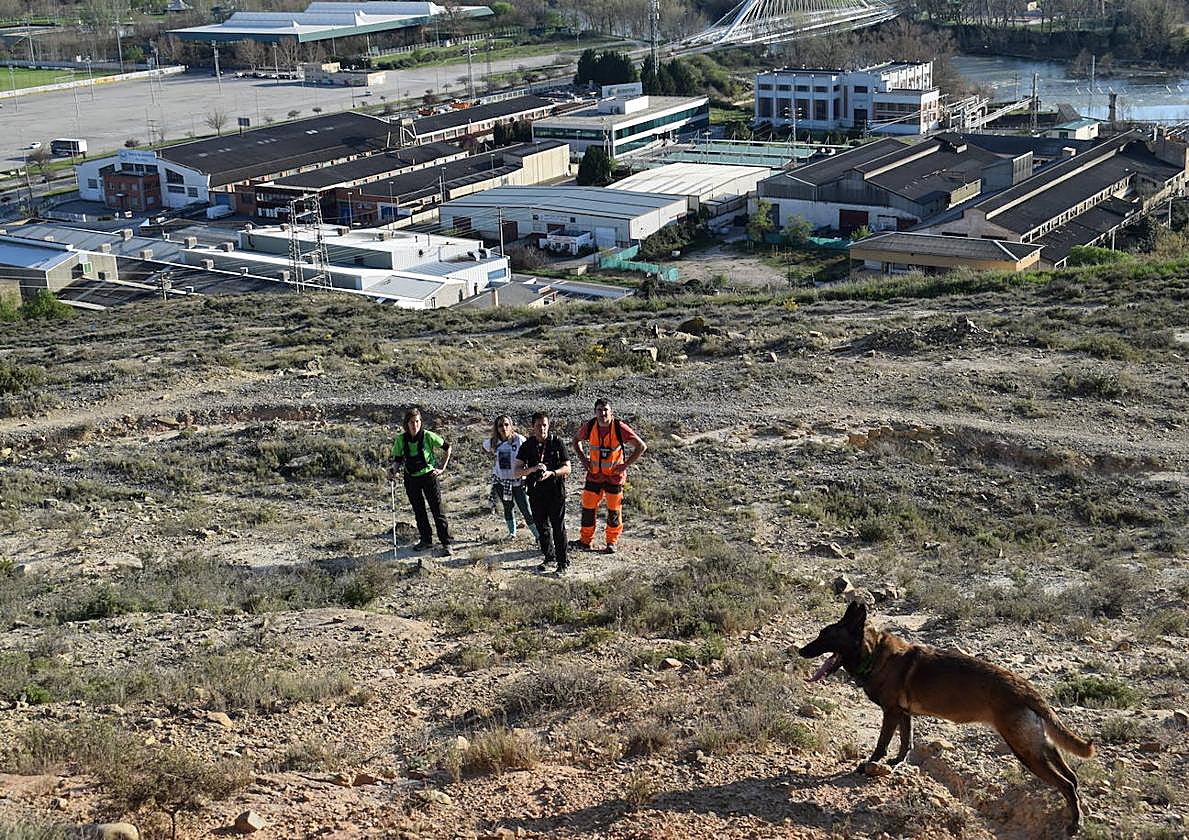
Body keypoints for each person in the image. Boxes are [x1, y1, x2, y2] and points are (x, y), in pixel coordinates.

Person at [570, 397, 647, 554]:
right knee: (588, 510)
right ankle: (585, 541)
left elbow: (641, 446)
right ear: (595, 412)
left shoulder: (619, 427)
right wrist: (584, 460)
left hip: (614, 478)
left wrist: (625, 465)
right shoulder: (590, 426)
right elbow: (576, 440)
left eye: (606, 410)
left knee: (614, 511)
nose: (603, 413)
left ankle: (611, 542)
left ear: (611, 413)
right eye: (599, 410)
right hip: (594, 476)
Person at [390, 406, 453, 556]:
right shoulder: (401, 439)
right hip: (411, 479)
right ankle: (426, 540)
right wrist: (393, 470)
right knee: (419, 511)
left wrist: (441, 468)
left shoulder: (428, 436)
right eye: (412, 422)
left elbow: (447, 447)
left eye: (417, 421)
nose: (415, 425)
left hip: (429, 477)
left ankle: (446, 543)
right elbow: (397, 459)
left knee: (437, 510)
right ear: (407, 424)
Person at [515, 410, 571, 574]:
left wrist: (552, 473)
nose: (542, 429)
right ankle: (549, 557)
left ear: (549, 425)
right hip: (535, 492)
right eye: (538, 425)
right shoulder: (527, 445)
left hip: (555, 491)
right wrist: (533, 469)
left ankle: (563, 562)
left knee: (558, 527)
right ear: (533, 426)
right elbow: (516, 471)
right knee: (542, 527)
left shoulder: (557, 442)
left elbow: (568, 467)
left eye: (545, 425)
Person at [483, 414, 538, 542]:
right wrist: (492, 458)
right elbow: (484, 447)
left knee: (526, 509)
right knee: (508, 507)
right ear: (496, 428)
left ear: (511, 425)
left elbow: (530, 451)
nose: (504, 428)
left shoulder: (519, 439)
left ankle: (538, 535)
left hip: (518, 481)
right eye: (500, 425)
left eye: (506, 424)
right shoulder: (494, 442)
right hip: (501, 482)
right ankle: (512, 533)